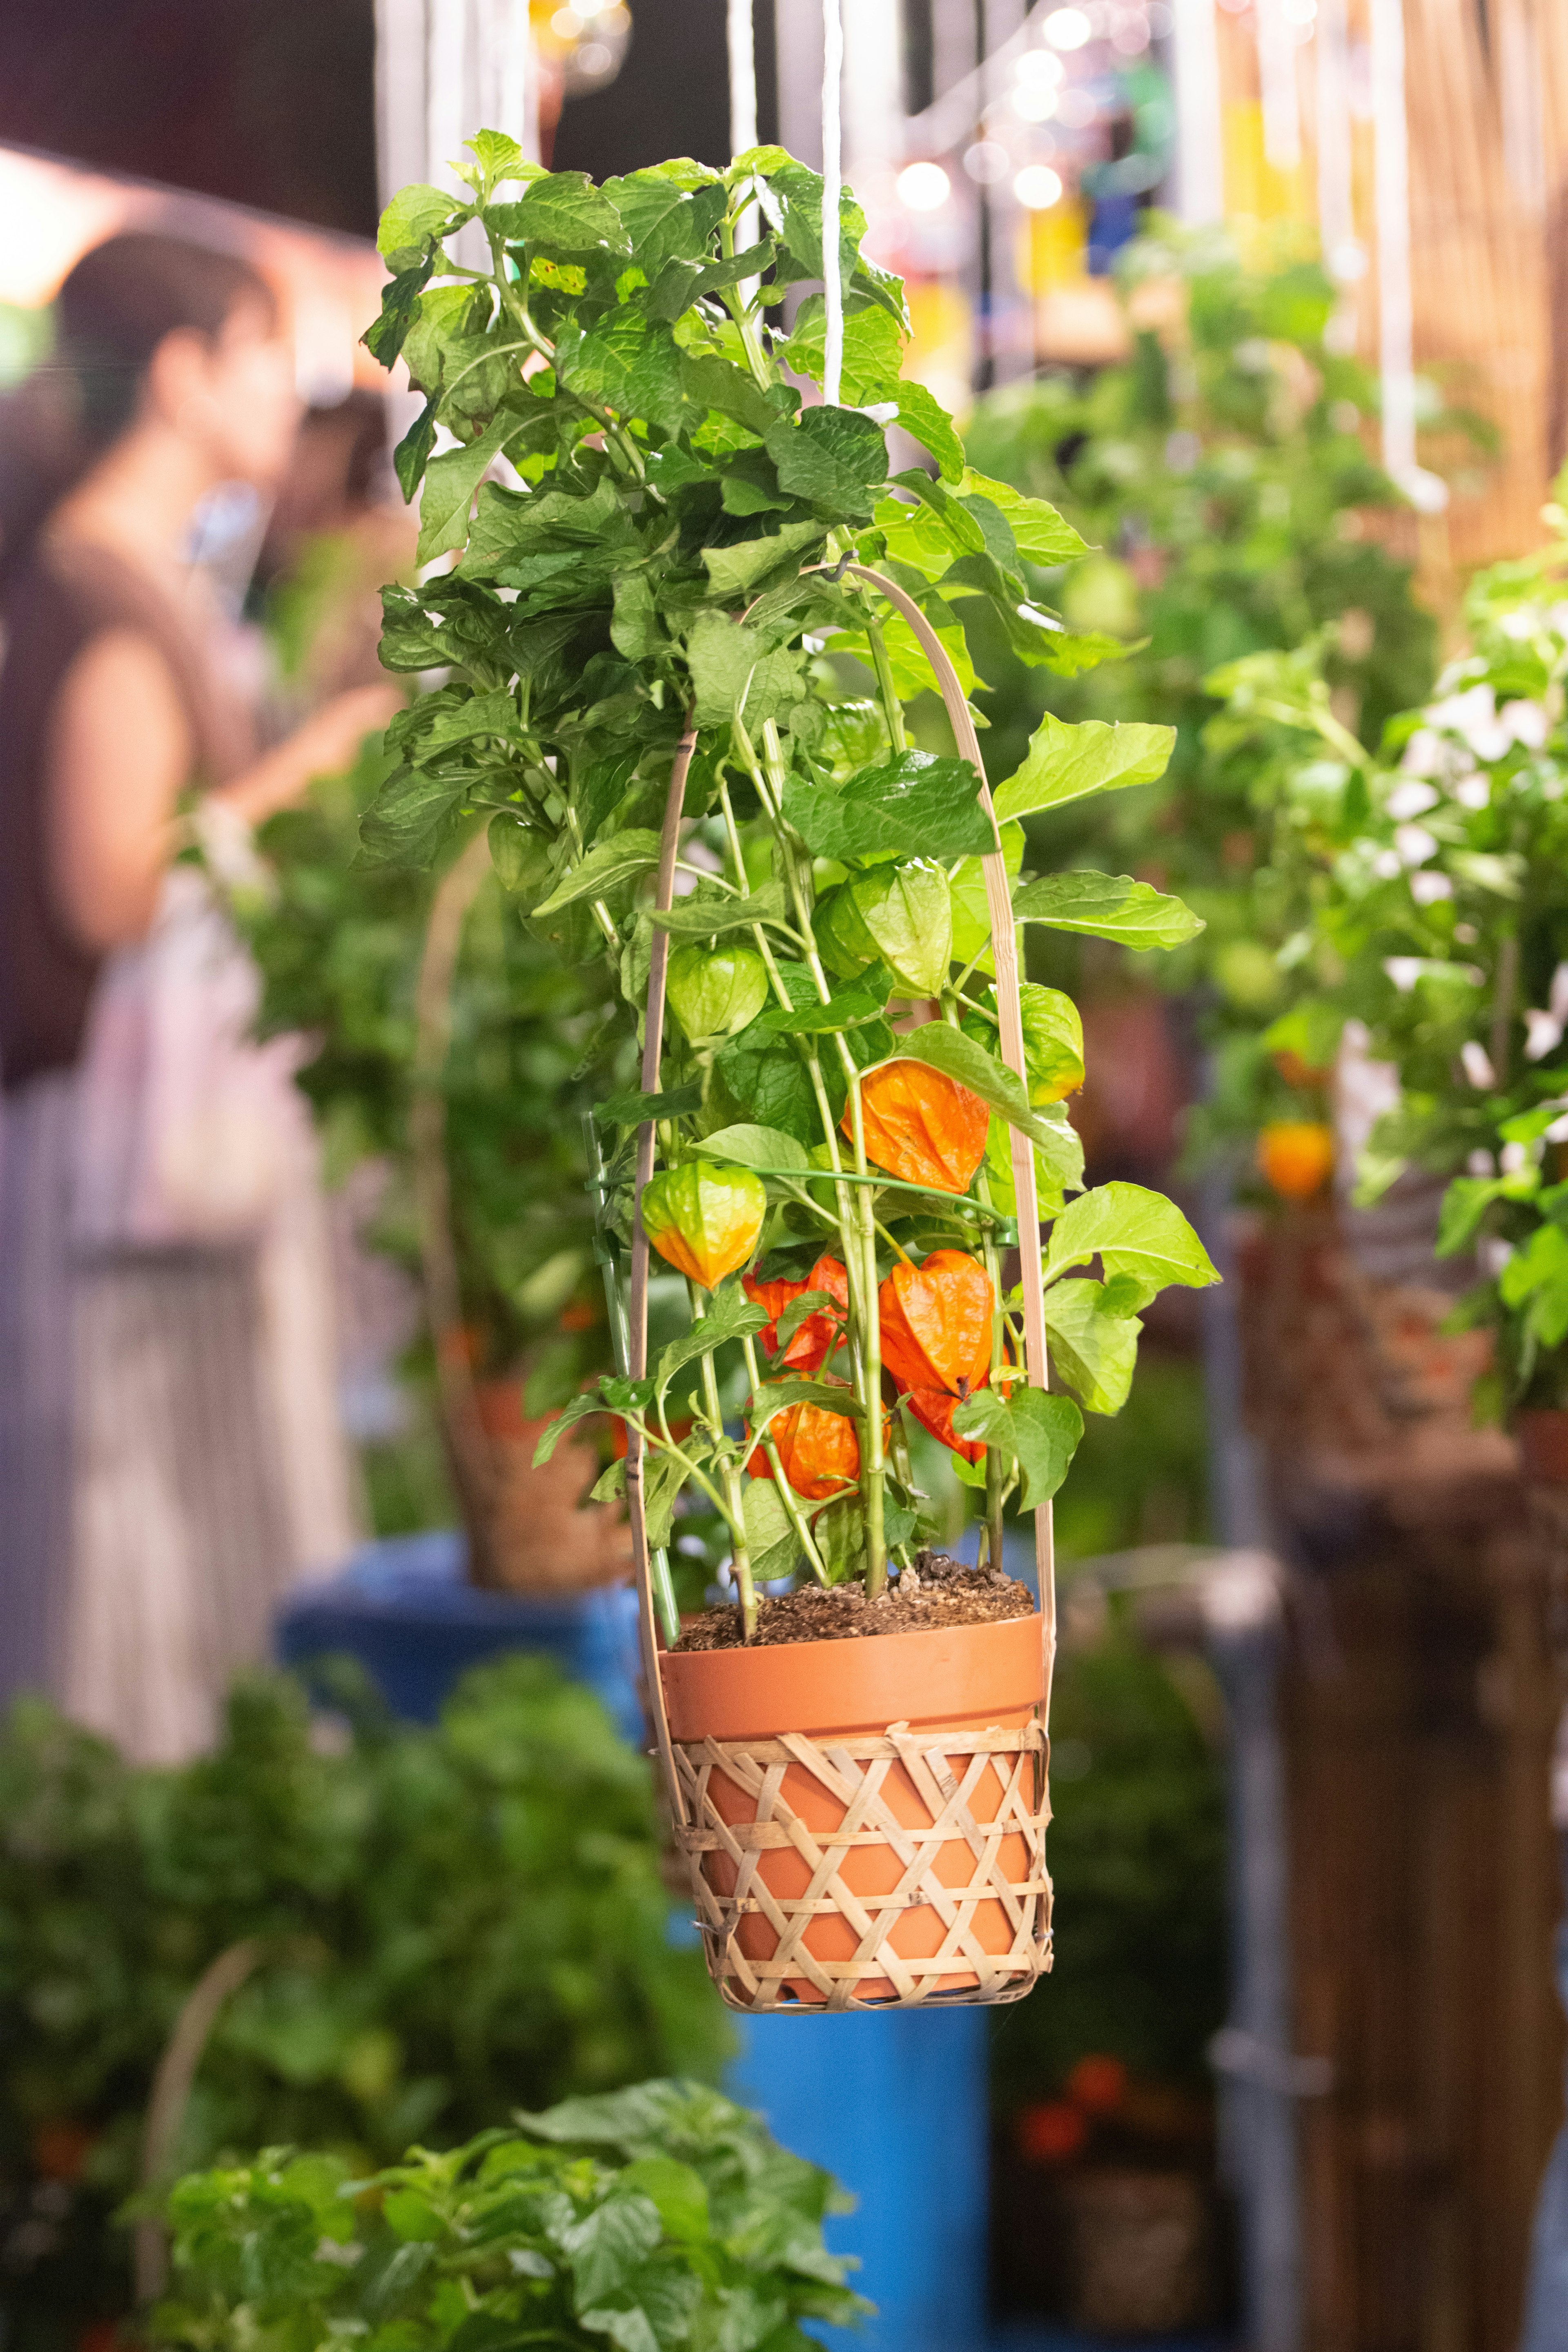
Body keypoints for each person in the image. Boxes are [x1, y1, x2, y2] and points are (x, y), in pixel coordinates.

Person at [0, 231, 401, 1763]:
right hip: (120, 1185)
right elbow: (110, 891)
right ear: (181, 376)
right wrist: (328, 756)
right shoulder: (99, 594)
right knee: (139, 1605)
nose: (286, 393)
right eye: (258, 350)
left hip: (151, 1171)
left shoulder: (124, 579)